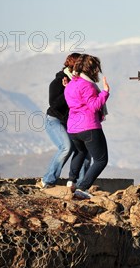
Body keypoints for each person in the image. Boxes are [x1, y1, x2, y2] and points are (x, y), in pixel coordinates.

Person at [40, 53, 90, 188]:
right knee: (66, 147)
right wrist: (67, 90)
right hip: (55, 120)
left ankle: (80, 185)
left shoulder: (80, 82)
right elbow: (54, 104)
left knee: (84, 149)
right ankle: (48, 180)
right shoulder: (58, 82)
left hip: (72, 122)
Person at [64, 54, 110, 199]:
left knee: (80, 152)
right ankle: (82, 188)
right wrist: (105, 92)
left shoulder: (70, 84)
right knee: (101, 160)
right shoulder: (88, 85)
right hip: (89, 127)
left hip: (73, 128)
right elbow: (94, 106)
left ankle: (71, 181)